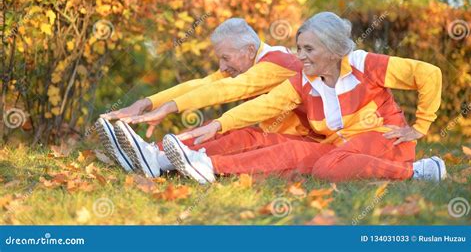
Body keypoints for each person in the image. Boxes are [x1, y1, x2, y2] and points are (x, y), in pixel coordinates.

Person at [162, 12, 447, 184]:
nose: (300, 57)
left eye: (308, 49)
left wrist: (421, 126)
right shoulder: (306, 80)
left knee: (327, 168)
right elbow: (265, 105)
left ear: (333, 49)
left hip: (386, 140)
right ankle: (207, 166)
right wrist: (219, 124)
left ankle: (417, 171)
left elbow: (429, 74)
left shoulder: (364, 64)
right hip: (339, 147)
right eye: (299, 48)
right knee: (292, 151)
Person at [95, 18, 312, 177]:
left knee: (239, 135)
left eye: (226, 58)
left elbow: (230, 89)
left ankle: (158, 161)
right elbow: (204, 85)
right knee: (214, 127)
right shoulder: (252, 61)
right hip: (278, 135)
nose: (222, 66)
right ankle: (150, 153)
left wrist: (169, 108)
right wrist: (147, 103)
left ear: (249, 50)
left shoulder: (278, 63)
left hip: (304, 141)